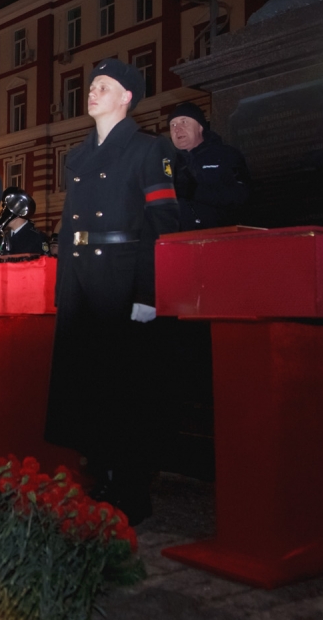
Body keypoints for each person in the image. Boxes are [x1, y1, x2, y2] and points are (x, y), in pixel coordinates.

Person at [45, 59, 179, 524]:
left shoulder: (149, 149)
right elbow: (68, 228)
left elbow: (162, 225)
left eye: (104, 86)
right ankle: (100, 473)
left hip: (122, 277)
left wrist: (149, 291)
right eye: (92, 86)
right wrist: (65, 287)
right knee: (89, 382)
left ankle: (131, 486)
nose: (93, 91)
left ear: (127, 97)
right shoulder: (77, 157)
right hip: (82, 277)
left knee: (125, 385)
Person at [167, 101, 251, 231]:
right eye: (173, 125)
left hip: (223, 237)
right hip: (179, 241)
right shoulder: (165, 163)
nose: (177, 129)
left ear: (200, 126)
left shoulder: (226, 155)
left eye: (184, 122)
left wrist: (194, 191)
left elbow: (241, 196)